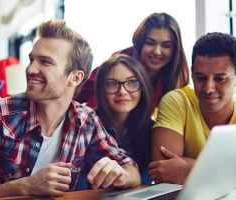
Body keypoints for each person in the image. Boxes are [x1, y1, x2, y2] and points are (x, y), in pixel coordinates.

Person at [0, 20, 141, 200]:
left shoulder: (86, 120)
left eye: (45, 62)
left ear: (75, 78)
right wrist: (24, 187)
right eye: (32, 59)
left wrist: (121, 176)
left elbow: (131, 169)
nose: (31, 69)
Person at [149, 32, 236, 184]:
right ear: (192, 74)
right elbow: (163, 168)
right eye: (200, 78)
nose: (208, 88)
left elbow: (176, 172)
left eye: (220, 79)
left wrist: (188, 171)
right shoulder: (176, 101)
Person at [75, 12, 189, 110]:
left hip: (139, 127)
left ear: (175, 49)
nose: (157, 51)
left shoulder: (179, 74)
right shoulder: (120, 61)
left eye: (166, 45)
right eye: (150, 43)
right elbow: (77, 93)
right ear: (140, 42)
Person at [95, 54, 154, 185]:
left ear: (143, 88)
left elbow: (145, 186)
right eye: (111, 84)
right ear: (101, 89)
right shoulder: (87, 124)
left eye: (132, 82)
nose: (122, 91)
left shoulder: (154, 131)